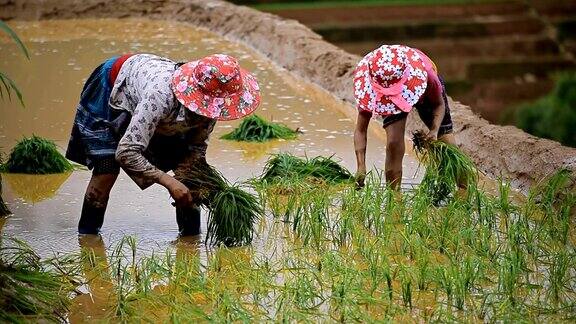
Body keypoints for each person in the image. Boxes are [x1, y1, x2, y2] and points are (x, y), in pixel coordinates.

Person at [66, 53, 261, 236]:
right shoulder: (160, 96)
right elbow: (127, 152)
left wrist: (193, 179)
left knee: (190, 176)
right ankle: (88, 238)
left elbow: (196, 149)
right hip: (112, 87)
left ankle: (190, 240)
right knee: (106, 168)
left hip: (152, 105)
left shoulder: (214, 105)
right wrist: (169, 183)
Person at [353, 44, 456, 190]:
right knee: (393, 144)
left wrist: (434, 130)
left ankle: (464, 187)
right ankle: (395, 197)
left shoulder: (427, 74)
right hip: (388, 96)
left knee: (446, 140)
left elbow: (439, 105)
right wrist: (361, 167)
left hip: (421, 90)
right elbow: (360, 130)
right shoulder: (372, 85)